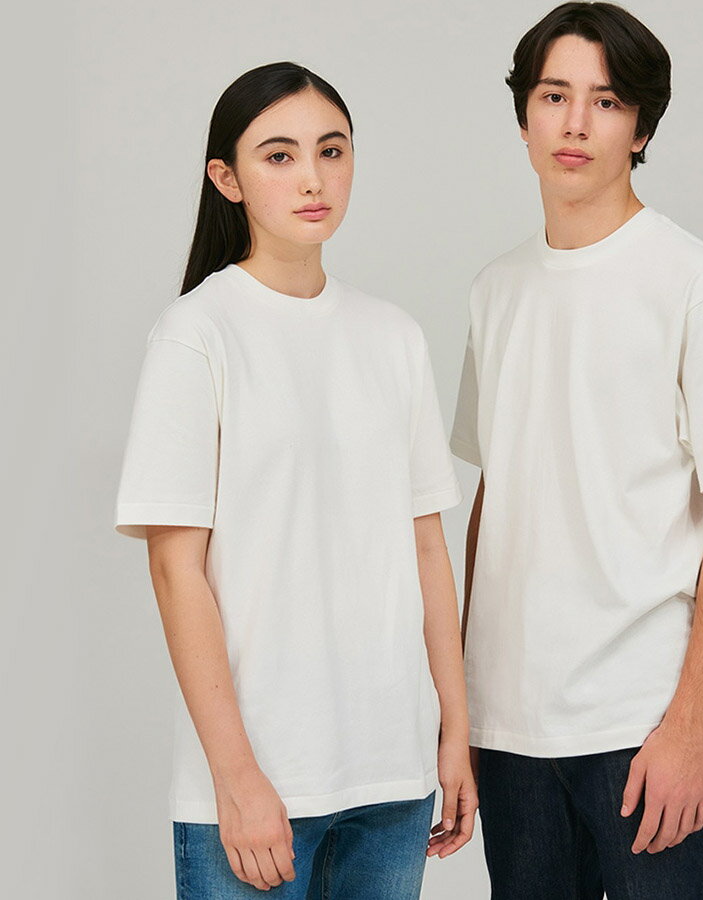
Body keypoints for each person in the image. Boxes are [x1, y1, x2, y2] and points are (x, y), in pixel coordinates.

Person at [449, 3, 703, 897]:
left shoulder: (696, 282)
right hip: (513, 736)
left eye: (605, 102)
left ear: (640, 128)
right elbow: (498, 495)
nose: (575, 123)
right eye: (553, 96)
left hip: (647, 725)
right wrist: (464, 710)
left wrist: (690, 725)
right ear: (523, 116)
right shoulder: (495, 290)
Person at [115, 61, 476, 898]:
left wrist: (454, 732)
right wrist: (237, 778)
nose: (312, 178)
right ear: (227, 179)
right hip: (257, 784)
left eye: (331, 150)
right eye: (279, 156)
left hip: (392, 777)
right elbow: (175, 570)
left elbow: (427, 548)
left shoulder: (392, 336)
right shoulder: (196, 335)